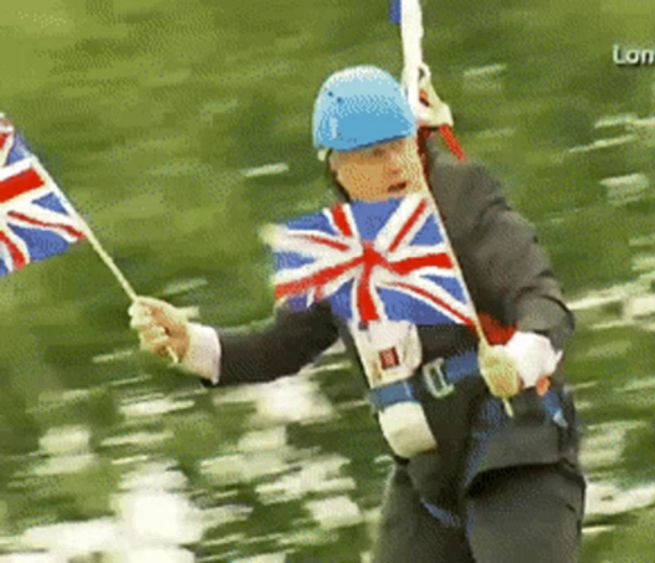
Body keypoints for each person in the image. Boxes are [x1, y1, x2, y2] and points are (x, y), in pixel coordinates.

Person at [129, 65, 584, 563]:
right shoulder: (337, 252)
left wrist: (520, 359)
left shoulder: (463, 198)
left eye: (402, 145)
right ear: (339, 169)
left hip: (512, 450)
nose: (396, 165)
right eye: (375, 154)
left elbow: (541, 300)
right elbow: (281, 347)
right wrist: (188, 343)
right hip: (425, 480)